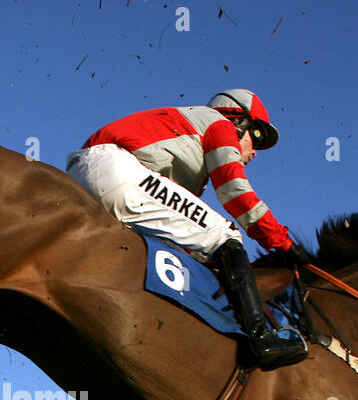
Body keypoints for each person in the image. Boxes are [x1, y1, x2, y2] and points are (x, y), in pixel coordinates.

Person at [65, 89, 306, 370]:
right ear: (238, 120)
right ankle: (261, 338)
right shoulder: (220, 125)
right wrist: (281, 241)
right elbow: (233, 191)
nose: (254, 152)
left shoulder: (187, 135)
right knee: (226, 235)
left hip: (83, 174)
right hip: (115, 172)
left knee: (191, 249)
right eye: (257, 137)